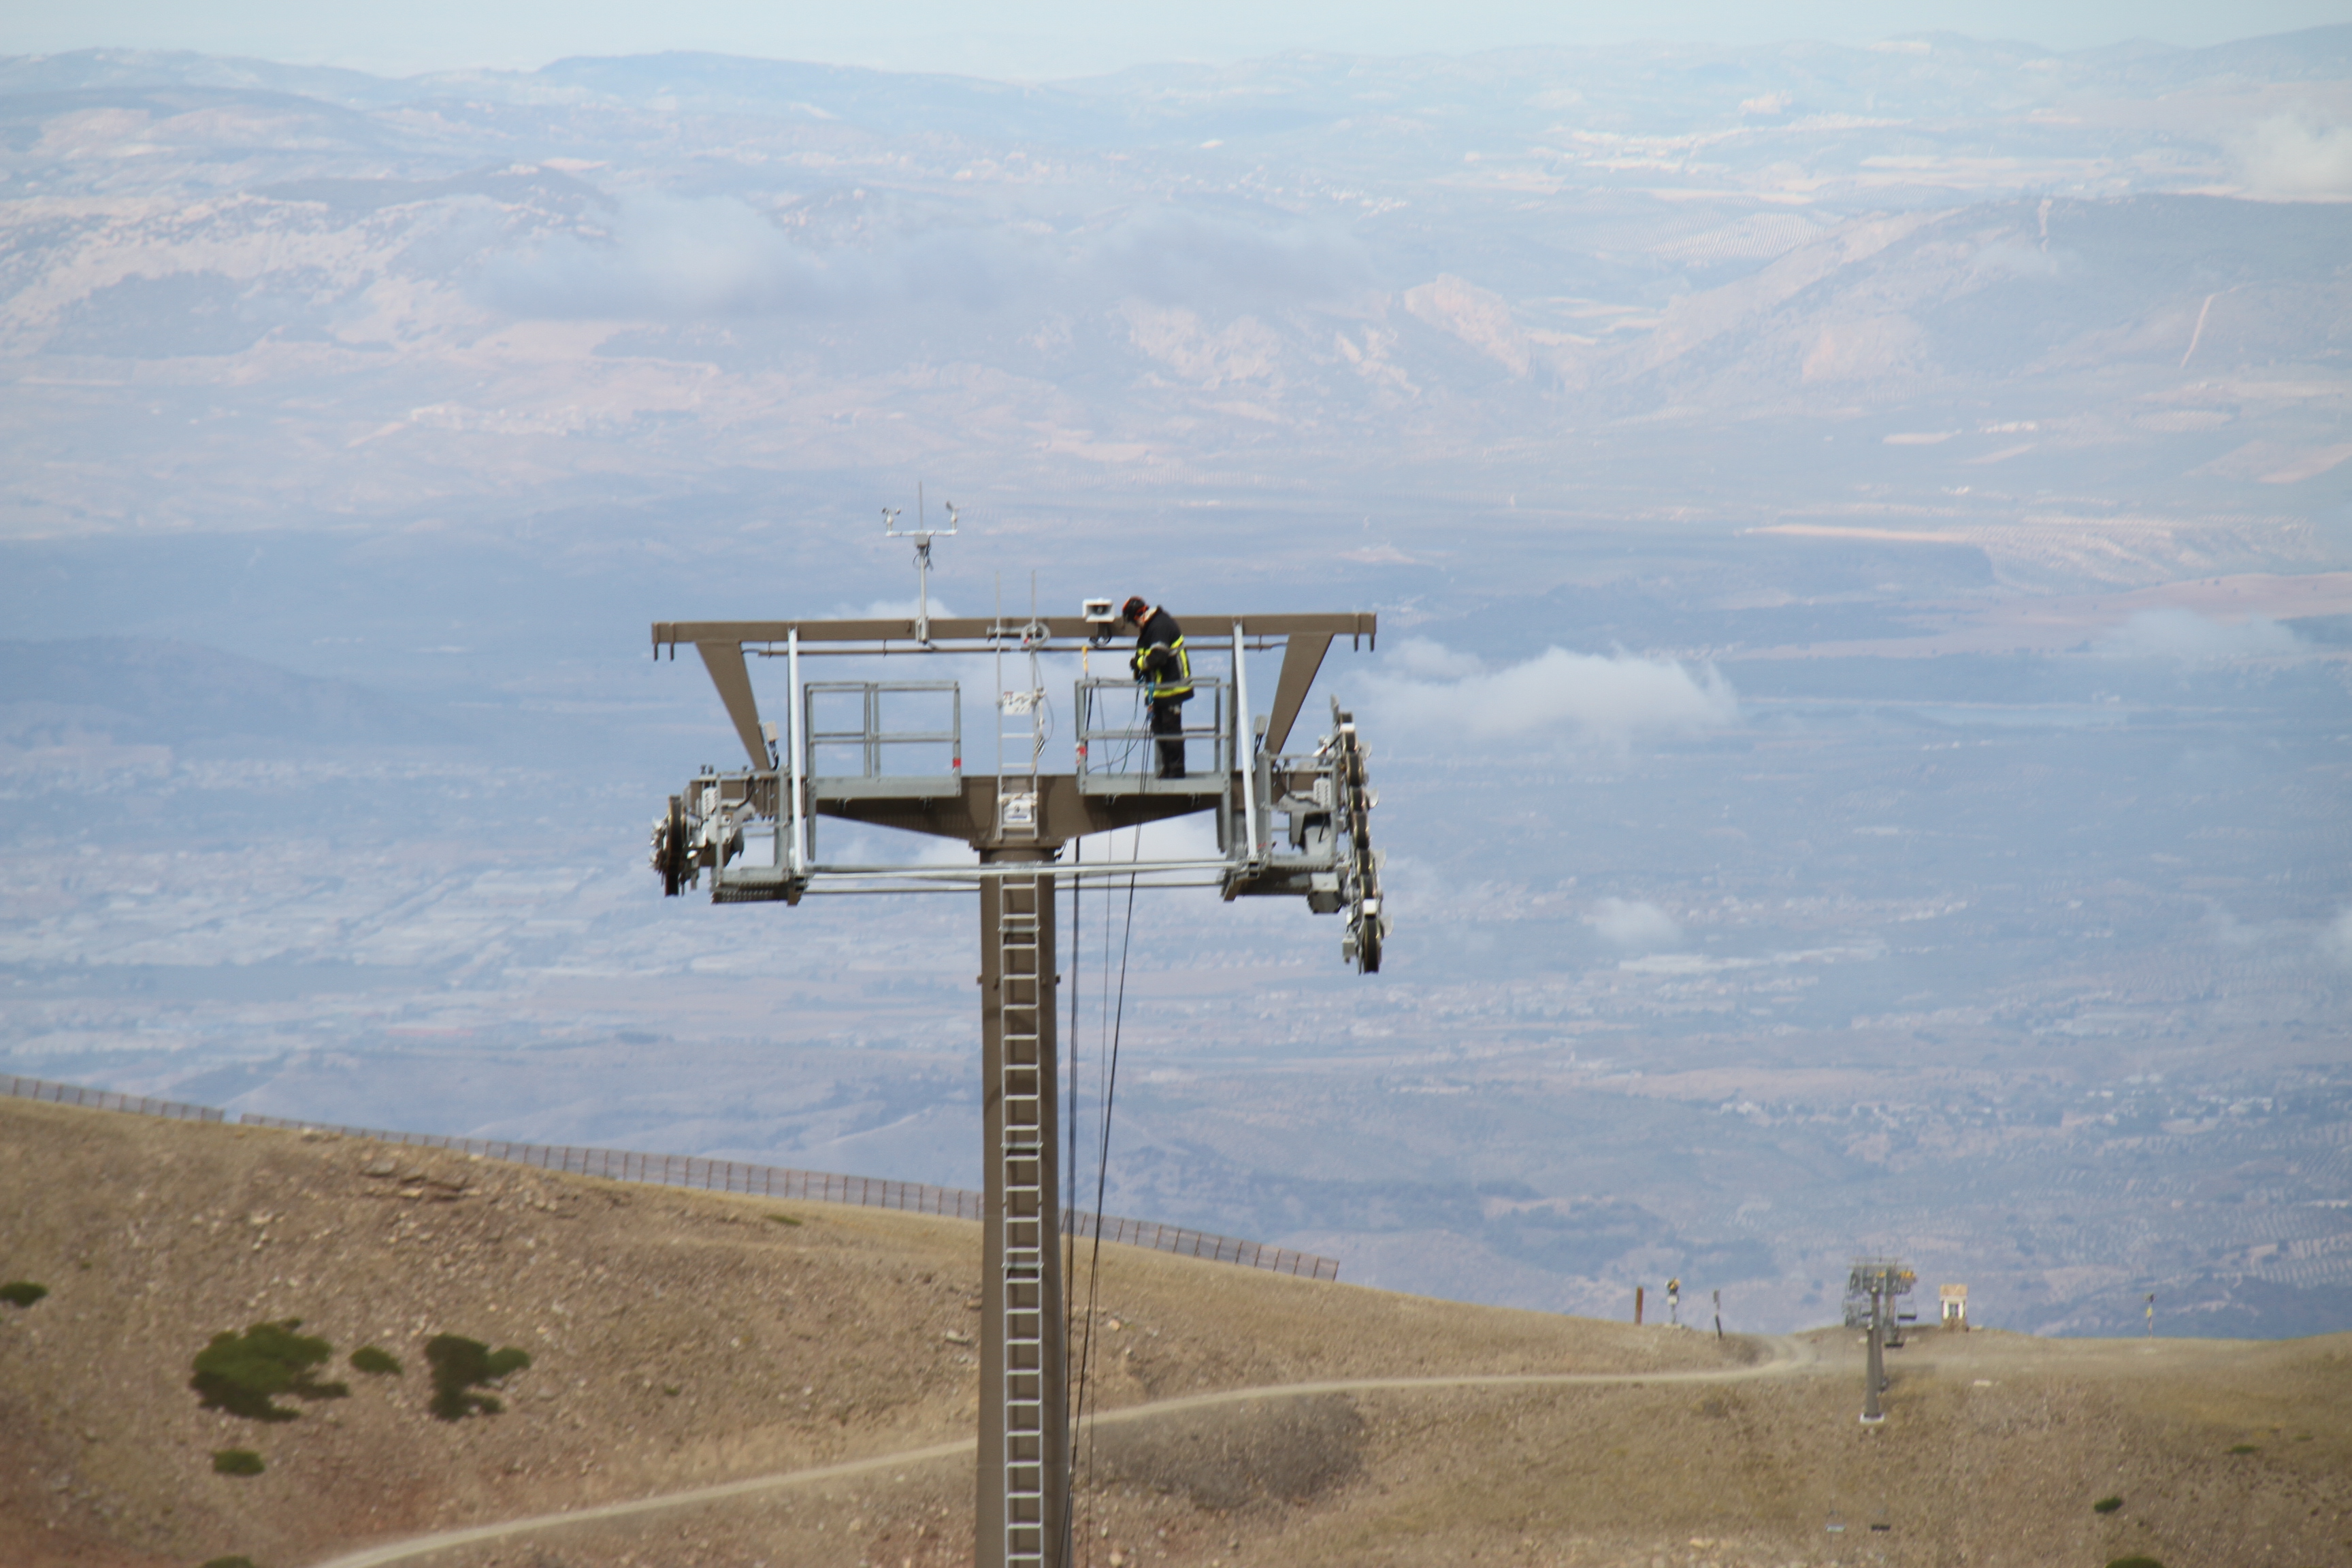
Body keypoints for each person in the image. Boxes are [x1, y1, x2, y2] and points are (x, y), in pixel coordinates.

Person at [1122, 595, 1192, 779]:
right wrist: (1139, 667)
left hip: (1173, 687)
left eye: (1134, 622)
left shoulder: (1160, 626)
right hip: (1159, 689)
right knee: (1159, 729)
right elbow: (1146, 656)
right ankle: (1168, 769)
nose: (1135, 626)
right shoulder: (1150, 629)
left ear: (1139, 615)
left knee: (1171, 729)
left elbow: (1158, 658)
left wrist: (1139, 664)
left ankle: (1176, 770)